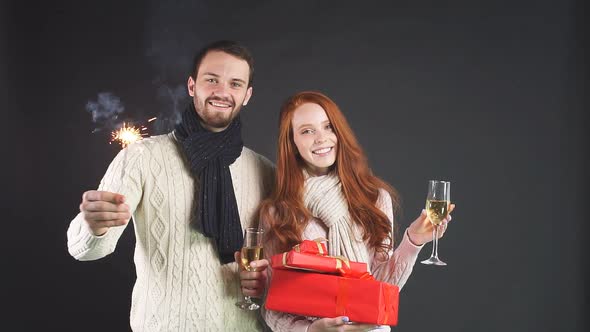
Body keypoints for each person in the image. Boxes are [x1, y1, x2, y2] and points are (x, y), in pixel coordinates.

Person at [67, 40, 275, 331]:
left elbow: (279, 261)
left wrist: (268, 278)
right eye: (211, 80)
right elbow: (84, 250)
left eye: (235, 83)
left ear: (247, 95)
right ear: (192, 86)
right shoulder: (141, 157)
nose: (222, 91)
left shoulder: (265, 171)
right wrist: (94, 225)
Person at [257, 91, 455, 332]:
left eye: (328, 127)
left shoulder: (373, 197)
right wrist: (311, 330)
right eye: (307, 131)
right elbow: (270, 304)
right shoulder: (277, 211)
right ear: (292, 143)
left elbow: (380, 286)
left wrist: (413, 241)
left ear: (339, 133)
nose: (321, 138)